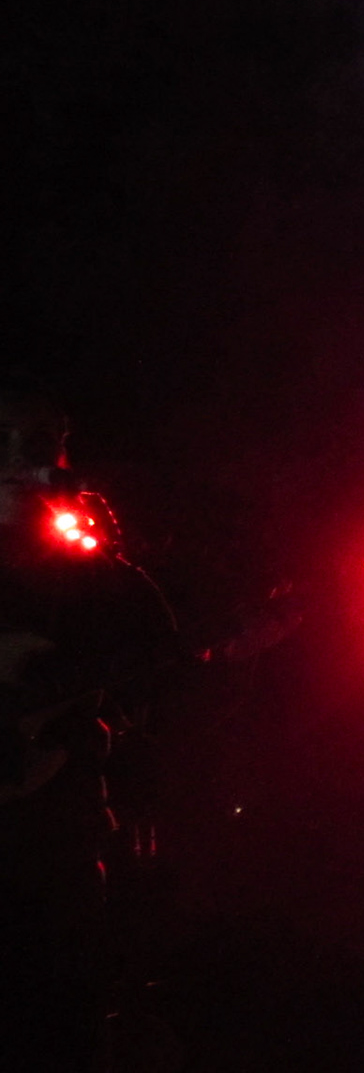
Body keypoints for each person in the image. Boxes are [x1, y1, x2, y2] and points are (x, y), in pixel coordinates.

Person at [2, 378, 178, 1068]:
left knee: (61, 1020)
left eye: (38, 443)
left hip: (57, 845)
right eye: (2, 441)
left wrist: (230, 655)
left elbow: (169, 674)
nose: (17, 458)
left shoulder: (94, 576)